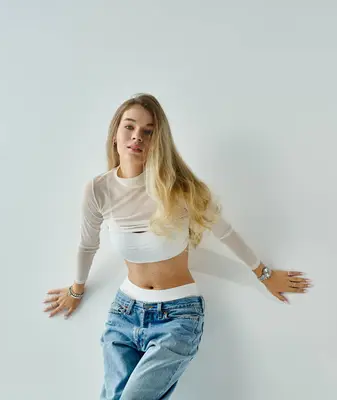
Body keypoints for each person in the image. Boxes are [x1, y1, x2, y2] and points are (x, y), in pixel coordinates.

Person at [42, 93, 313, 399]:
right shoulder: (98, 190)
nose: (136, 137)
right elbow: (87, 244)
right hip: (124, 312)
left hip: (177, 317)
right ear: (115, 132)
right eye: (129, 127)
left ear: (159, 140)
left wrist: (264, 274)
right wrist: (76, 289)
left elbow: (225, 232)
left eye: (148, 131)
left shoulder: (180, 189)